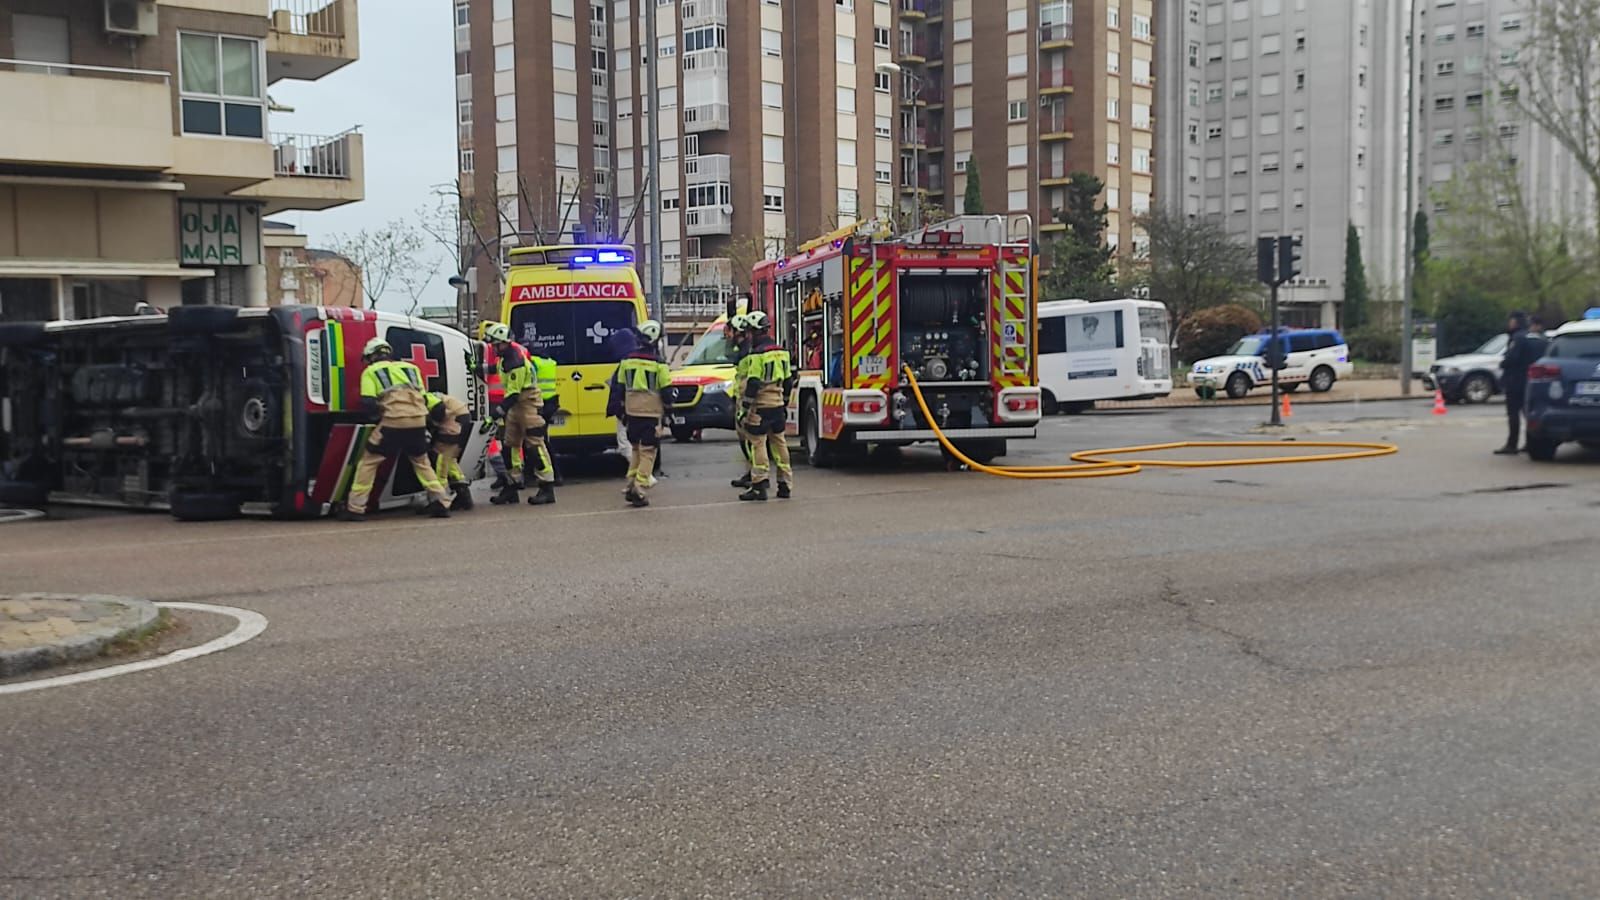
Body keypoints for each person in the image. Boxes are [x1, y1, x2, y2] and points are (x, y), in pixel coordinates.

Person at [340, 338, 451, 522]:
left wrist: (377, 417)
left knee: (369, 462)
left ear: (372, 356)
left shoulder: (371, 372)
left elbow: (367, 403)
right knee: (421, 462)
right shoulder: (411, 369)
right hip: (417, 422)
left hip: (392, 423)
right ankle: (441, 502)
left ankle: (355, 508)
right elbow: (424, 397)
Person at [477, 322, 556, 505]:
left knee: (535, 447)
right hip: (516, 407)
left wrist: (495, 415)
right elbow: (495, 369)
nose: (494, 348)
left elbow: (513, 395)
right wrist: (477, 369)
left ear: (505, 343)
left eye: (496, 344)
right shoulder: (505, 359)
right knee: (510, 446)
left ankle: (547, 487)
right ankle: (511, 486)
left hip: (528, 406)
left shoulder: (516, 362)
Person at [607, 319, 672, 507]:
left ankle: (630, 484)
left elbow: (618, 388)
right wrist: (669, 412)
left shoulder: (626, 362)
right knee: (648, 451)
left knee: (635, 448)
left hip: (631, 412)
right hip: (651, 413)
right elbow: (667, 392)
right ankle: (639, 486)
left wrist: (621, 411)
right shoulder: (659, 365)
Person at [738, 310, 796, 502]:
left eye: (748, 332)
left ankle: (759, 485)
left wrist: (745, 408)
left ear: (754, 332)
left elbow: (753, 383)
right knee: (779, 442)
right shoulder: (782, 352)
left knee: (758, 443)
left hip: (761, 406)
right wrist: (785, 401)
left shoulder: (757, 355)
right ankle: (785, 484)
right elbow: (788, 380)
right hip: (778, 404)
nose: (747, 336)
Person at [1496, 311, 1547, 455]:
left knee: (1513, 414)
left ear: (1516, 322)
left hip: (1515, 381)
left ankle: (1512, 445)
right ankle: (1530, 443)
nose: (1509, 323)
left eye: (1511, 320)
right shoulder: (1540, 339)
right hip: (1531, 381)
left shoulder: (1518, 338)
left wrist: (1503, 364)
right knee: (1528, 414)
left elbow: (1512, 358)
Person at [424, 390, 474, 511]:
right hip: (462, 416)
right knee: (449, 458)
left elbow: (438, 411)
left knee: (440, 458)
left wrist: (432, 424)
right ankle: (464, 495)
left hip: (453, 418)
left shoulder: (421, 398)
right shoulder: (429, 396)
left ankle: (440, 502)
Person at [727, 314, 757, 490]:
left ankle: (754, 474)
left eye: (730, 331)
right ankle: (751, 472)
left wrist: (742, 404)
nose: (728, 336)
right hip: (742, 397)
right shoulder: (745, 349)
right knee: (746, 439)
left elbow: (748, 380)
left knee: (748, 439)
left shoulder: (746, 352)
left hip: (745, 400)